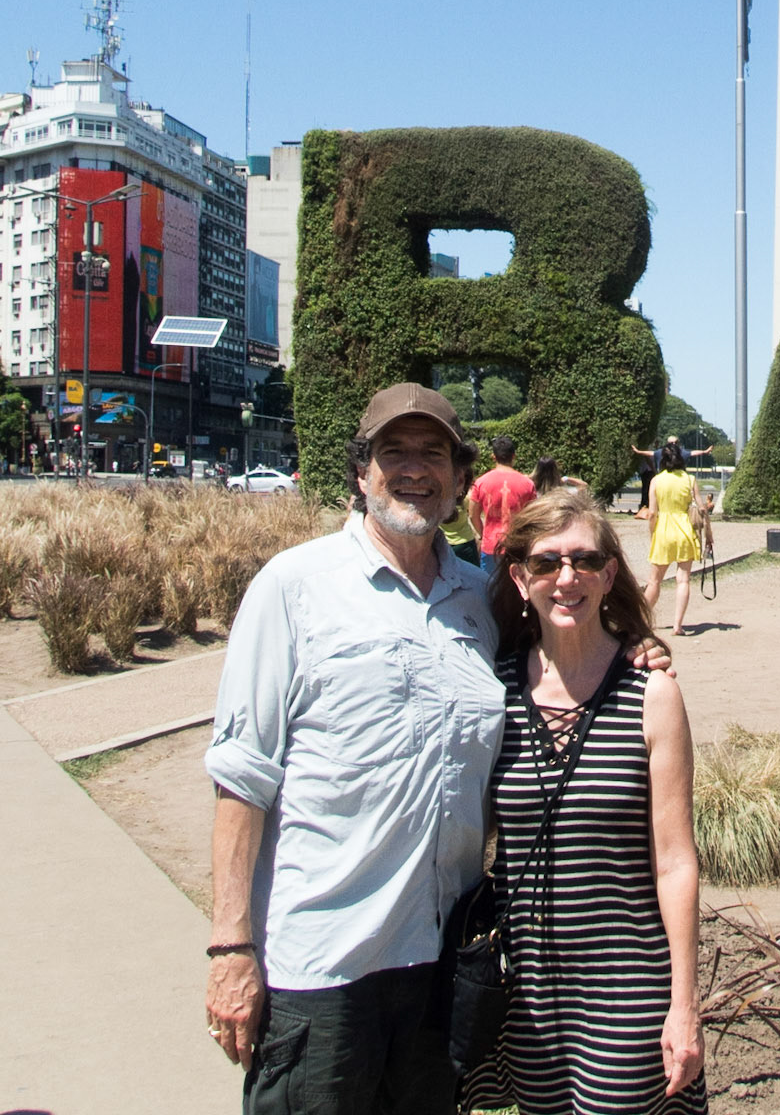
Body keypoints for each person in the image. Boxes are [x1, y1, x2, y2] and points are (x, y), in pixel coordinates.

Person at [203, 384, 505, 1111]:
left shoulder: (484, 599)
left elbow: (575, 647)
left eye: (433, 453)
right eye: (392, 451)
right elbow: (243, 776)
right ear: (361, 470)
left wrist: (639, 655)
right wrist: (231, 950)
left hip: (439, 966)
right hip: (324, 967)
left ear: (460, 476)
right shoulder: (295, 587)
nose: (413, 469)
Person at [482, 488, 706, 1113]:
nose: (566, 577)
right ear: (520, 577)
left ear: (609, 575)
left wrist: (684, 1005)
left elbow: (676, 862)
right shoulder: (493, 693)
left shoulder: (650, 694)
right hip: (527, 995)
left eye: (583, 561)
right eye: (547, 563)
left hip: (626, 987)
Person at [643, 439, 701, 637]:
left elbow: (652, 513)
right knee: (683, 579)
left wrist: (652, 533)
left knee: (654, 581)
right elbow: (701, 508)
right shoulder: (689, 479)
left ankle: (642, 620)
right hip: (685, 529)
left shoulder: (657, 480)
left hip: (663, 530)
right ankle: (678, 625)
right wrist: (708, 534)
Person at [468, 434, 536, 559]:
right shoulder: (528, 484)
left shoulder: (481, 482)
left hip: (490, 545)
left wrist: (483, 534)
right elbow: (533, 516)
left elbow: (473, 514)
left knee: (489, 579)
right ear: (514, 456)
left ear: (493, 457)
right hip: (517, 544)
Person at [632, 427, 716, 514]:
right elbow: (650, 453)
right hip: (675, 479)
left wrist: (638, 452)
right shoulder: (675, 452)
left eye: (675, 442)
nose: (674, 444)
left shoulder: (670, 452)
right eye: (672, 443)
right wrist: (638, 452)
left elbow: (693, 453)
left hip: (669, 479)